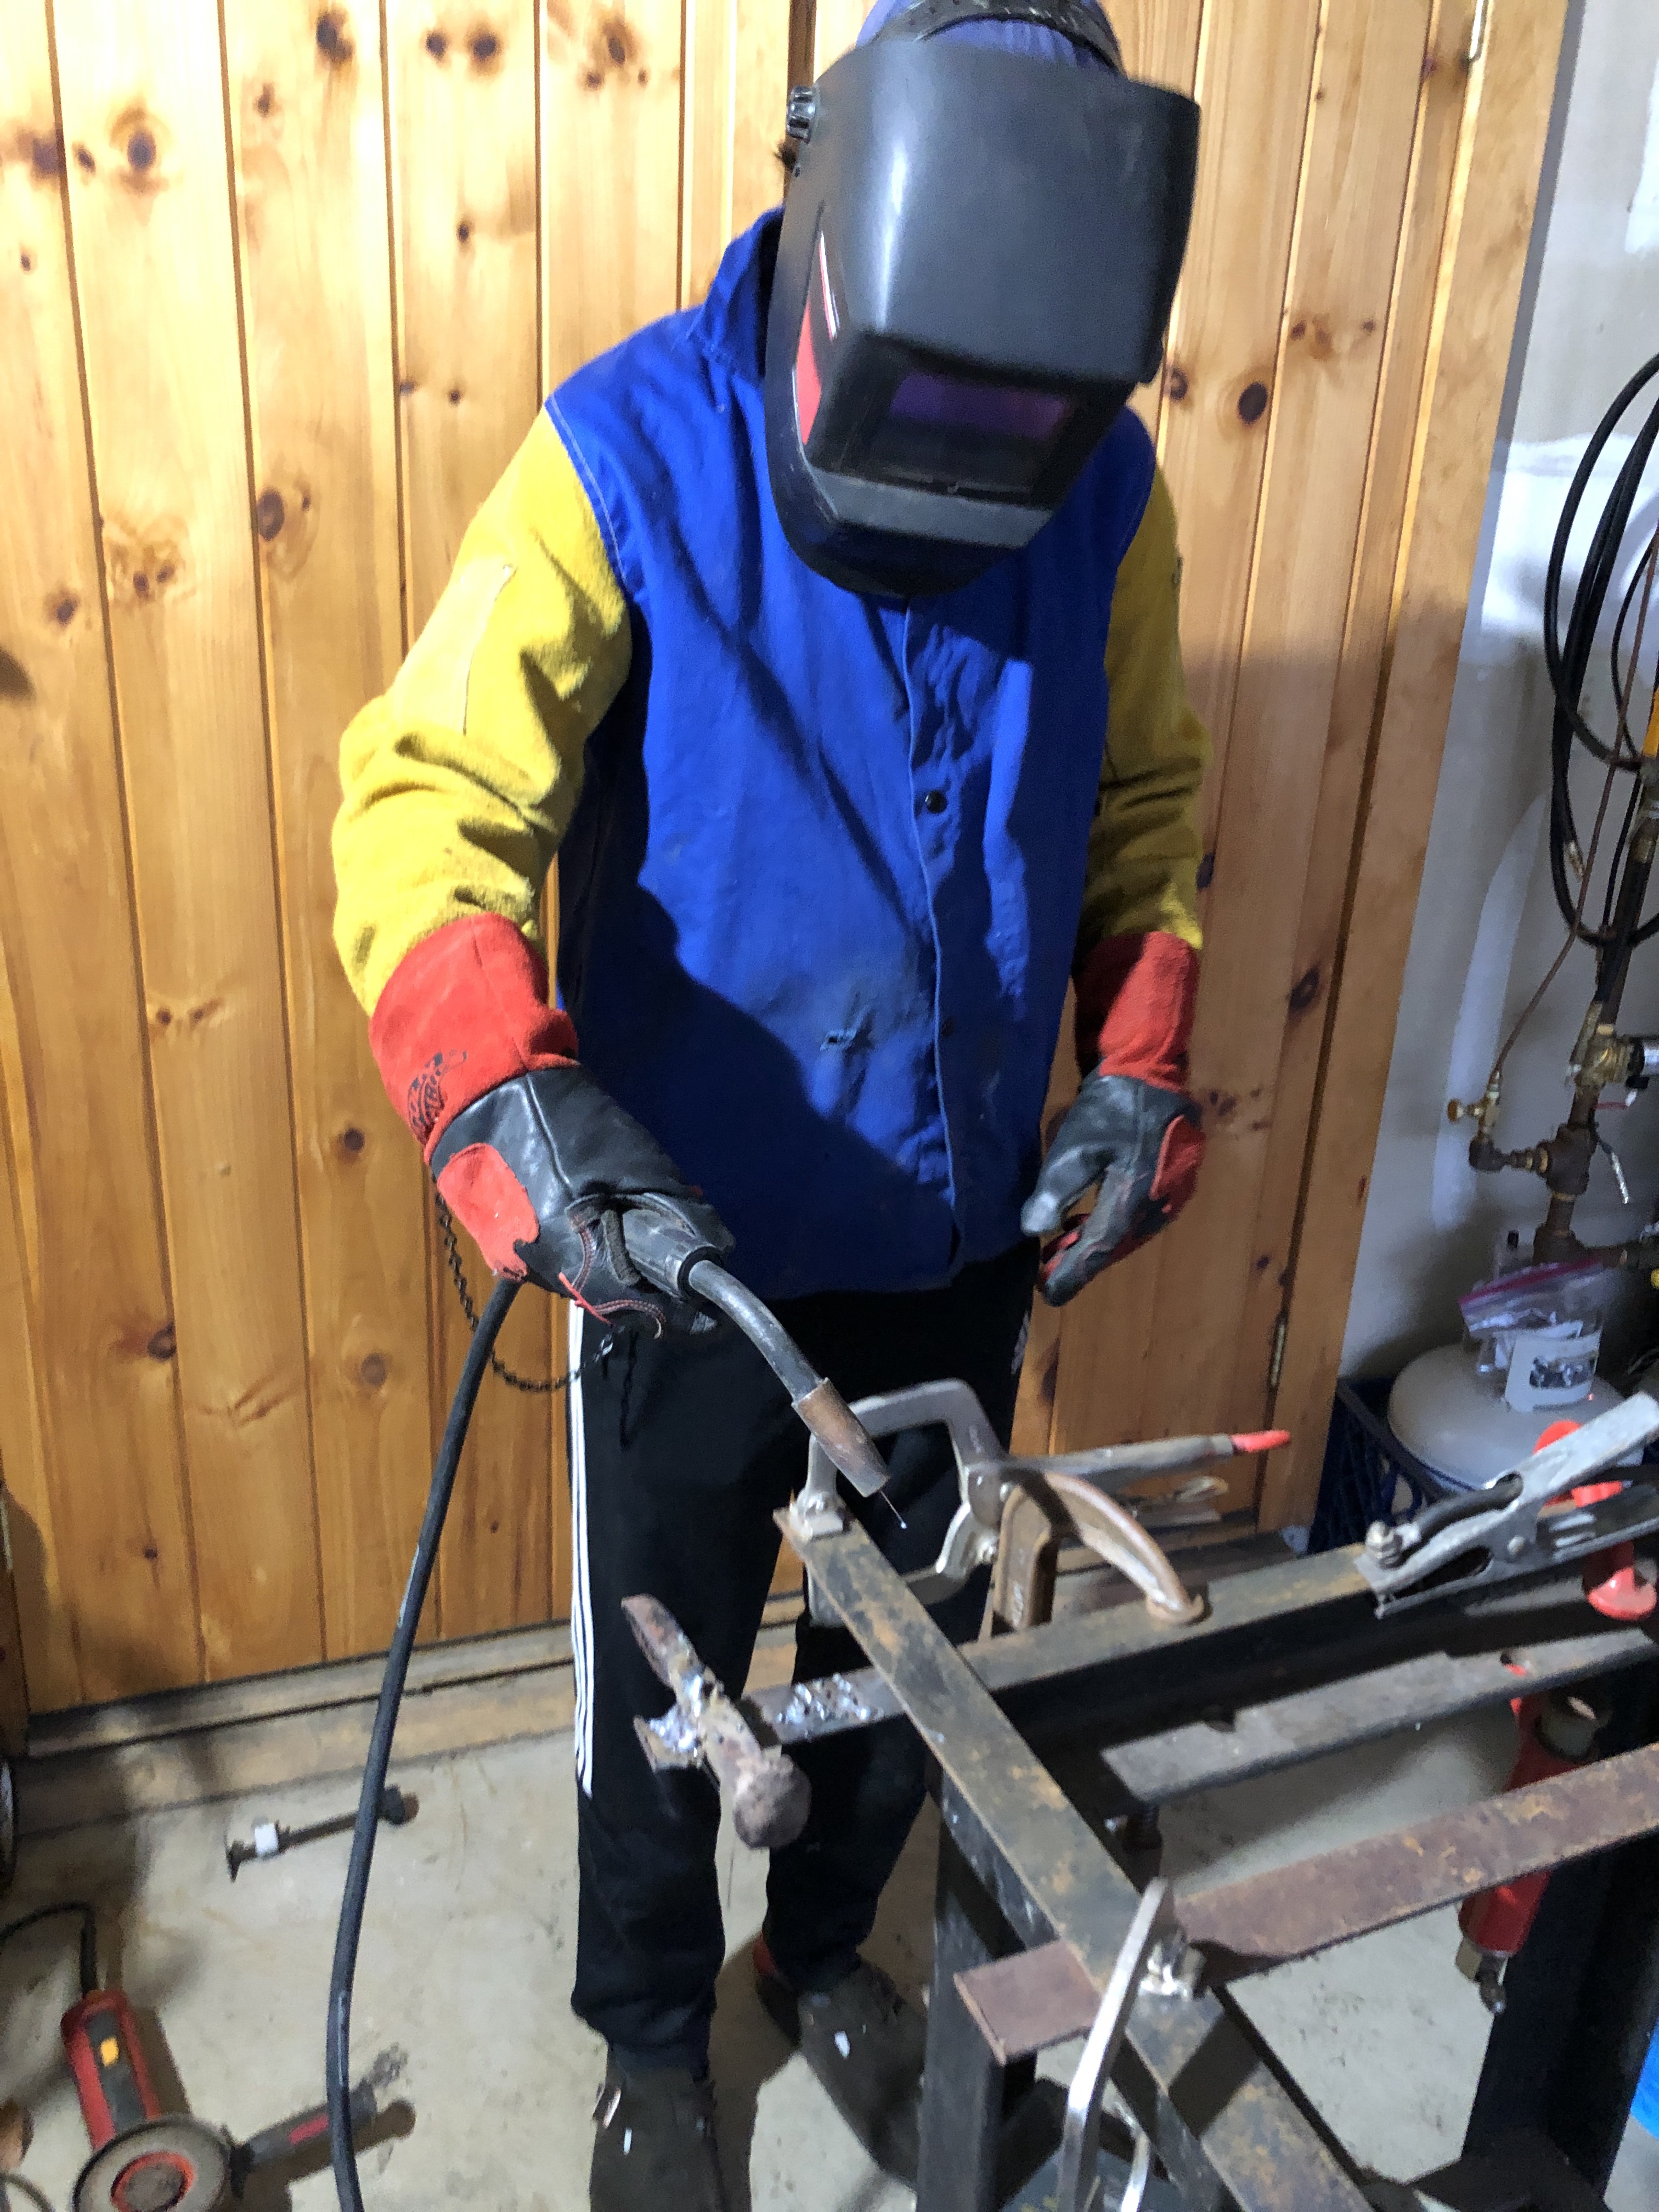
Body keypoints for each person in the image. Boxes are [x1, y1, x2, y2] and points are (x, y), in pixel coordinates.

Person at [332, 3, 1207, 2203]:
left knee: (912, 1659)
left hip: (963, 1230)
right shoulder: (622, 455)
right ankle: (653, 2049)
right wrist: (503, 1097)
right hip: (688, 1250)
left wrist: (1135, 1064)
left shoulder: (1106, 489)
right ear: (825, 207)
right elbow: (426, 801)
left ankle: (825, 1953)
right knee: (669, 1693)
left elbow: (1144, 805)